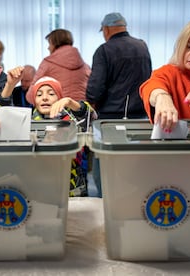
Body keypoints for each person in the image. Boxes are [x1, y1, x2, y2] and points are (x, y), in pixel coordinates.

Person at [86, 12, 152, 197]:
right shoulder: (142, 46)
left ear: (106, 30)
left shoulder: (104, 50)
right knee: (134, 174)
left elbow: (95, 89)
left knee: (104, 174)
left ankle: (106, 214)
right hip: (140, 119)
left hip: (111, 121)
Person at [31, 76, 97, 196]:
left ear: (59, 98)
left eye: (51, 94)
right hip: (41, 184)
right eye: (39, 95)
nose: (44, 98)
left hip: (72, 185)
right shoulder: (29, 121)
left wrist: (70, 102)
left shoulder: (71, 117)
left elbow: (91, 116)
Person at [26, 29, 90, 104]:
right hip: (81, 110)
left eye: (49, 44)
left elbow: (31, 96)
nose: (48, 48)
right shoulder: (85, 66)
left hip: (57, 111)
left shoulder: (47, 63)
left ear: (54, 44)